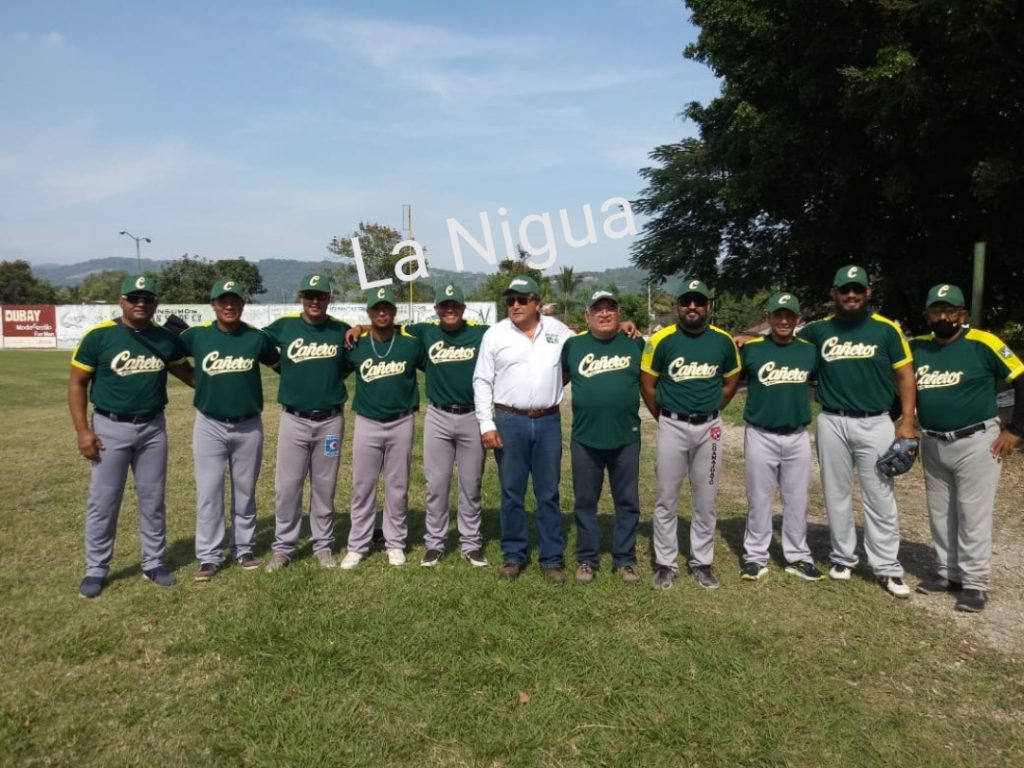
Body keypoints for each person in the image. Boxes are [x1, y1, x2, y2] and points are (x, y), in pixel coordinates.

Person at [69, 274, 194, 598]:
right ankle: (96, 568)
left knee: (152, 500)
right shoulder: (100, 337)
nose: (141, 303)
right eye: (134, 298)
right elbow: (77, 384)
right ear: (120, 301)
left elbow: (188, 374)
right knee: (104, 501)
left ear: (155, 303)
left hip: (153, 427)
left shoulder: (166, 339)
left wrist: (229, 382)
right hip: (110, 427)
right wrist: (84, 431)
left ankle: (153, 562)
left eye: (147, 299)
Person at [799, 265, 917, 598]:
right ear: (833, 294)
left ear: (868, 293)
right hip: (832, 419)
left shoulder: (886, 330)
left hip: (876, 420)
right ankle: (843, 557)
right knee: (835, 493)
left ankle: (887, 567)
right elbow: (782, 346)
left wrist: (906, 422)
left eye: (857, 289)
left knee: (879, 495)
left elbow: (906, 377)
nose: (851, 295)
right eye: (844, 289)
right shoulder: (818, 331)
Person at [910, 284, 1023, 612]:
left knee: (973, 513)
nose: (942, 316)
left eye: (950, 310)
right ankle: (949, 573)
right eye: (936, 310)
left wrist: (1016, 430)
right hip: (933, 440)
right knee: (940, 511)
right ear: (927, 314)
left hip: (976, 441)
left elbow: (1021, 380)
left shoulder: (984, 342)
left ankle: (975, 583)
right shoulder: (918, 347)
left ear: (963, 314)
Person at [640, 278, 741, 590]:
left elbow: (731, 381)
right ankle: (666, 563)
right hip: (672, 425)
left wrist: (711, 407)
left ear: (708, 305)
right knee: (666, 498)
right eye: (686, 301)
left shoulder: (723, 341)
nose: (692, 307)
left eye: (699, 301)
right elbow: (647, 384)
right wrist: (666, 416)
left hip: (709, 428)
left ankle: (702, 562)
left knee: (706, 498)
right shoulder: (662, 339)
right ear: (677, 306)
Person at [473, 275, 574, 582]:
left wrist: (625, 326)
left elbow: (585, 349)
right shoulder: (495, 334)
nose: (514, 305)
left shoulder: (559, 331)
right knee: (512, 492)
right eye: (510, 301)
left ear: (537, 303)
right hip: (509, 420)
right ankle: (514, 555)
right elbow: (482, 380)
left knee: (548, 492)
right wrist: (486, 423)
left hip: (548, 421)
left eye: (522, 299)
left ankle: (551, 558)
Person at [179, 279, 280, 581]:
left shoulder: (255, 338)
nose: (229, 306)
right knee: (209, 492)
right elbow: (169, 356)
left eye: (234, 300)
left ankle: (244, 547)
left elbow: (281, 366)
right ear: (213, 305)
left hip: (249, 424)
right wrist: (194, 381)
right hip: (209, 424)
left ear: (242, 304)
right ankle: (210, 555)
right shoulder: (196, 336)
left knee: (245, 490)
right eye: (223, 301)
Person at [263, 274, 350, 571]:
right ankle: (283, 548)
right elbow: (255, 345)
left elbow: (352, 360)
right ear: (301, 298)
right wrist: (282, 368)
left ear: (329, 299)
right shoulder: (284, 326)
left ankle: (323, 545)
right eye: (309, 295)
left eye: (321, 296)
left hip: (330, 420)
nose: (315, 301)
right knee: (287, 486)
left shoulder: (341, 330)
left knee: (325, 486)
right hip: (294, 419)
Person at [561, 290, 645, 584]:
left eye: (611, 308)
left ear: (619, 314)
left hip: (626, 436)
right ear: (587, 316)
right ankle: (587, 559)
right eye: (598, 309)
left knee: (627, 501)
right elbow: (557, 378)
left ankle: (625, 559)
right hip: (585, 437)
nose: (605, 314)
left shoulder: (636, 344)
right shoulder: (573, 346)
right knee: (585, 501)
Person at [738, 292, 822, 582]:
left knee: (797, 499)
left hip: (798, 434)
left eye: (789, 315)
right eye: (778, 315)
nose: (784, 320)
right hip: (761, 432)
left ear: (797, 318)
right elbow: (729, 379)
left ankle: (798, 557)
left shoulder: (809, 351)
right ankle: (755, 556)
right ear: (769, 317)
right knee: (759, 499)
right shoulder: (751, 349)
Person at [340, 287, 426, 569]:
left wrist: (362, 326)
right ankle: (357, 544)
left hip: (401, 421)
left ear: (394, 311)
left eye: (386, 307)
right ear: (369, 312)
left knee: (397, 486)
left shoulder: (409, 344)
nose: (381, 312)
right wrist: (359, 329)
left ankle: (395, 543)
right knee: (362, 486)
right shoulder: (356, 344)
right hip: (366, 421)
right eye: (376, 308)